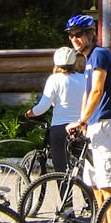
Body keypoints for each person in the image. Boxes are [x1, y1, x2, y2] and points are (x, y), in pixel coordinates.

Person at [64, 15, 111, 223]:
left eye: (79, 34)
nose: (75, 39)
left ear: (91, 34)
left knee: (110, 187)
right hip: (95, 127)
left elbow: (98, 90)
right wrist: (82, 123)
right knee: (97, 187)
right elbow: (87, 94)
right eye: (71, 35)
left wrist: (82, 120)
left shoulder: (99, 54)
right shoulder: (88, 59)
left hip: (107, 126)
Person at [25, 46, 86, 174]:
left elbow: (43, 107)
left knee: (61, 169)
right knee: (85, 167)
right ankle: (88, 193)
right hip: (81, 127)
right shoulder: (83, 79)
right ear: (74, 62)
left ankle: (65, 193)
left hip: (60, 128)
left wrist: (28, 114)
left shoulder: (54, 79)